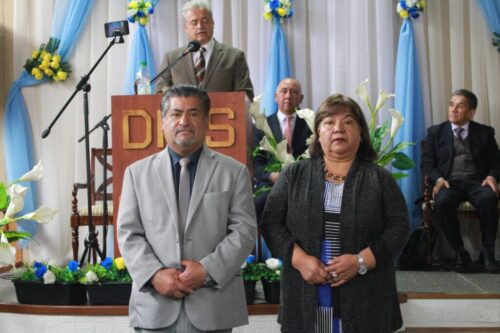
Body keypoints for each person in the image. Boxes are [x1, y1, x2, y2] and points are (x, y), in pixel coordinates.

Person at [261, 94, 410, 332]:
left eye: (348, 122)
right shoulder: (294, 175)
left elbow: (400, 227)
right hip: (305, 291)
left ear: (361, 133)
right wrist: (299, 260)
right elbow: (271, 222)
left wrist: (362, 261)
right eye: (329, 122)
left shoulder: (379, 178)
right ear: (318, 133)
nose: (338, 128)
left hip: (367, 295)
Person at [117, 84, 257, 332]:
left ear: (206, 121)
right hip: (155, 306)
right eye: (176, 113)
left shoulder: (233, 172)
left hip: (213, 305)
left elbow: (244, 232)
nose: (184, 121)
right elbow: (128, 233)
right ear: (162, 122)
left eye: (193, 114)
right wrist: (154, 274)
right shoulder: (136, 174)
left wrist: (206, 270)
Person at [421, 89, 500, 273]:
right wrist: (438, 179)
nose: (453, 109)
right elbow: (426, 163)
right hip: (449, 183)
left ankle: (488, 253)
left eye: (460, 106)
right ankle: (459, 253)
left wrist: (491, 177)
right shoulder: (436, 132)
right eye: (451, 104)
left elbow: (496, 163)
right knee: (443, 202)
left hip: (477, 183)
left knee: (489, 198)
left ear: (472, 112)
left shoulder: (485, 133)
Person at [253, 78, 311, 258]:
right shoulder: (262, 125)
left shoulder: (310, 123)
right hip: (271, 185)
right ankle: (259, 260)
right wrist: (271, 176)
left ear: (300, 98)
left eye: (294, 92)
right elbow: (255, 162)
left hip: (303, 185)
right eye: (284, 91)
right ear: (275, 97)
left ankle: (300, 254)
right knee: (255, 206)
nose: (288, 96)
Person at [154, 0, 254, 101]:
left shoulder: (234, 56)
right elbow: (160, 91)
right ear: (186, 28)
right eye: (194, 22)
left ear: (212, 23)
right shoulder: (172, 58)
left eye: (205, 21)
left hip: (223, 114)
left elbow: (245, 95)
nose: (200, 26)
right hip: (185, 115)